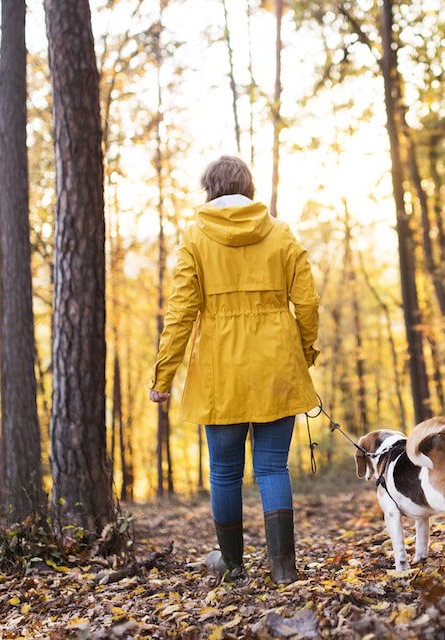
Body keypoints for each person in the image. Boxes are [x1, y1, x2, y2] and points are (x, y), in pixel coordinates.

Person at [149, 155, 320, 585]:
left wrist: (163, 376)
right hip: (276, 367)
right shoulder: (280, 234)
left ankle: (233, 564)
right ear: (249, 187)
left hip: (219, 373)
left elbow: (181, 313)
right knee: (272, 469)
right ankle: (283, 567)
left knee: (225, 472)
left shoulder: (196, 237)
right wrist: (303, 351)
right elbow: (309, 303)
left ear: (209, 189)